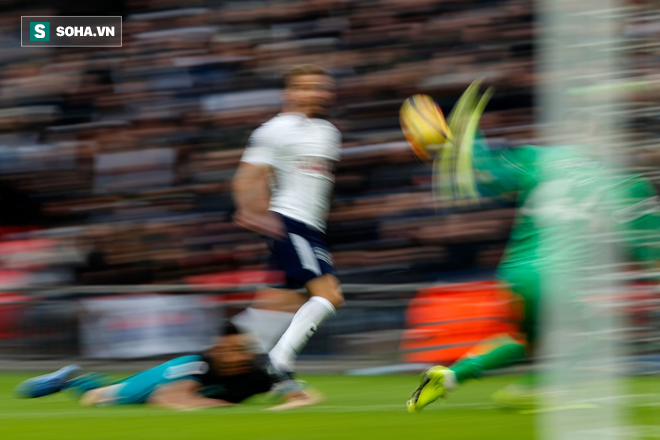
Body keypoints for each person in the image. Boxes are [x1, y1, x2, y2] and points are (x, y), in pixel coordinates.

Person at [405, 81, 660, 412]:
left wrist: (454, 143)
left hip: (516, 274)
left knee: (526, 340)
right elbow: (646, 246)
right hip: (558, 276)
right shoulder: (624, 183)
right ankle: (532, 390)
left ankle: (450, 376)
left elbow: (487, 174)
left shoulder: (541, 157)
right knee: (596, 334)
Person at [231, 64, 343, 379]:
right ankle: (279, 363)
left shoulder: (328, 132)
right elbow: (248, 178)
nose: (315, 93)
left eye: (320, 87)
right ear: (289, 92)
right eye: (306, 86)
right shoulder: (274, 130)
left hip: (310, 227)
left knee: (273, 309)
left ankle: (209, 368)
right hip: (292, 222)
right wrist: (255, 214)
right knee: (328, 295)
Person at [15, 323, 320, 411]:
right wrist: (230, 411)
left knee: (111, 392)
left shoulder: (261, 371)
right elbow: (170, 399)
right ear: (216, 350)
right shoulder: (198, 366)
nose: (237, 355)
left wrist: (284, 405)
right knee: (101, 399)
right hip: (167, 380)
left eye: (242, 349)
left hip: (176, 382)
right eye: (229, 350)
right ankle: (73, 379)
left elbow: (307, 397)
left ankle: (79, 378)